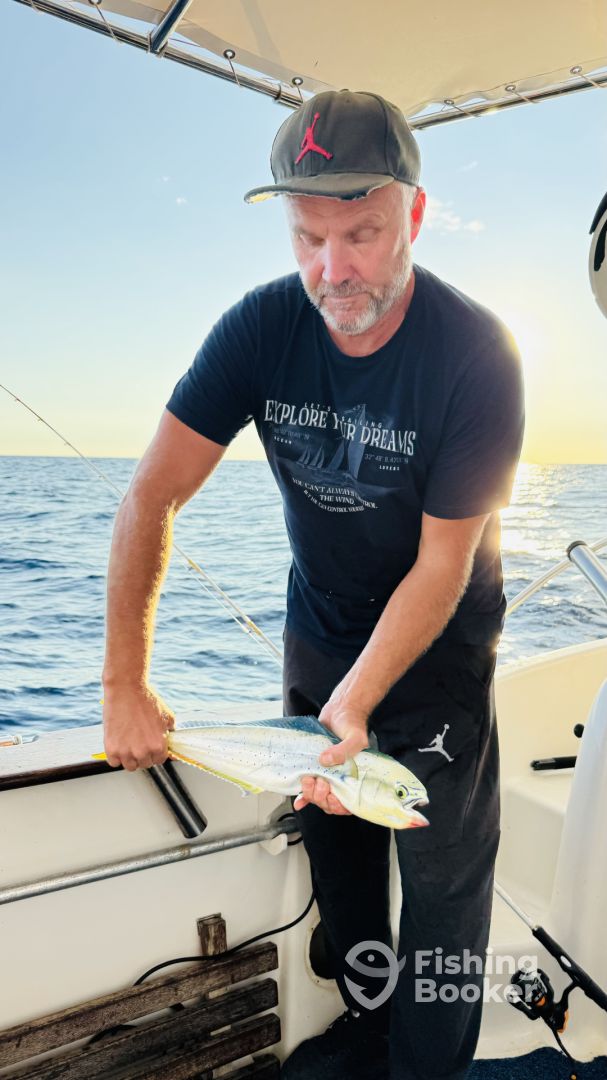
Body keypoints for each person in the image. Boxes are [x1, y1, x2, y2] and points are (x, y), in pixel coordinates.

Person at [102, 90, 525, 1080]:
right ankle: (368, 1032)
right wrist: (124, 683)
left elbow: (440, 564)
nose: (332, 270)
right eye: (308, 237)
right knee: (339, 865)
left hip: (440, 652)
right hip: (321, 634)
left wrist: (357, 704)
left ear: (414, 214)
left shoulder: (476, 355)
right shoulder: (259, 330)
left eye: (362, 235)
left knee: (442, 888)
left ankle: (426, 1066)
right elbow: (151, 496)